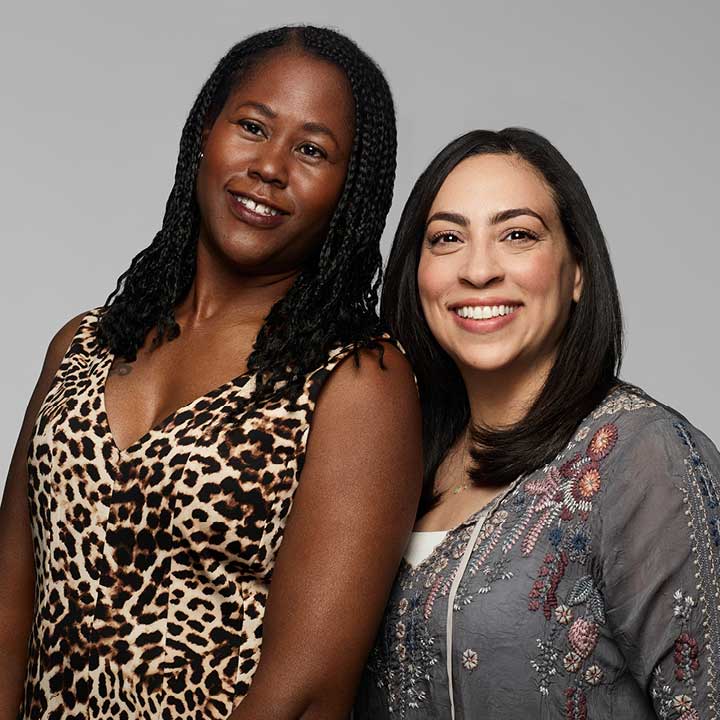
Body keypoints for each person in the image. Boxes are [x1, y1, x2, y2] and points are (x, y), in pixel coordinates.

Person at [0, 25, 423, 720]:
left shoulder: (358, 384)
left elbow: (306, 693)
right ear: (205, 133)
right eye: (253, 126)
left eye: (312, 150)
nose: (270, 166)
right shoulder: (80, 346)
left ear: (350, 192)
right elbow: (9, 618)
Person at [354, 128, 720, 719]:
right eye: (447, 238)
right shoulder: (393, 462)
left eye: (517, 235)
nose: (478, 270)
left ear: (576, 270)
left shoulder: (640, 456)